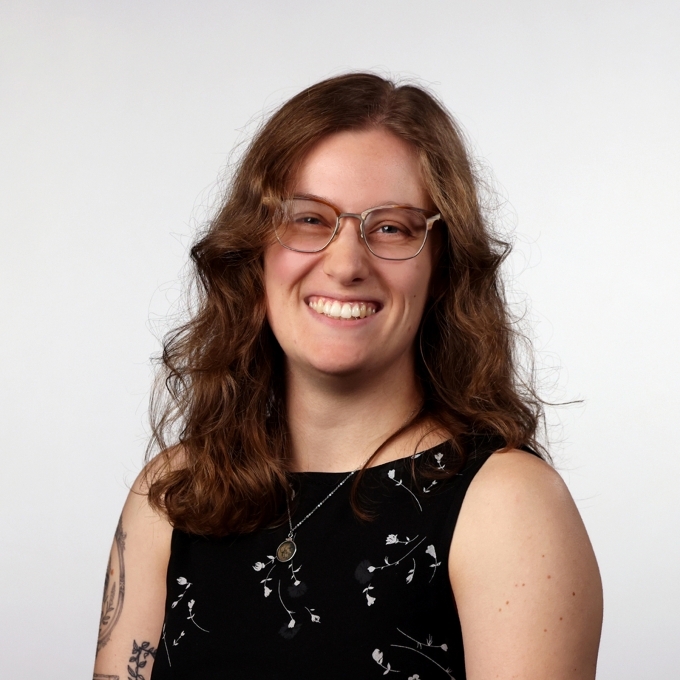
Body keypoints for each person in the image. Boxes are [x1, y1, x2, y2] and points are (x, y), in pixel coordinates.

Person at [93, 73, 603, 679]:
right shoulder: (176, 493)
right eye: (308, 219)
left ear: (442, 266)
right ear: (254, 250)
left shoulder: (509, 505)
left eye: (391, 228)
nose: (346, 264)